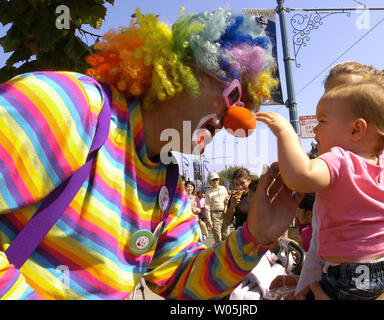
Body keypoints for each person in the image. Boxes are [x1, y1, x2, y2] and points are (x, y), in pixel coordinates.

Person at [0, 8, 297, 300]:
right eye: (233, 95)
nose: (236, 121)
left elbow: (181, 278)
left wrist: (254, 236)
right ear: (180, 71)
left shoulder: (169, 185)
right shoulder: (67, 105)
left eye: (246, 106)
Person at [257, 79, 384, 299]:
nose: (316, 129)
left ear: (357, 129)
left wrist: (285, 133)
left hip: (356, 275)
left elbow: (300, 176)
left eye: (322, 121)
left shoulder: (340, 159)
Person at [204, 171, 229, 244]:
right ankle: (219, 254)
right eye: (213, 180)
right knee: (218, 238)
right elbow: (207, 206)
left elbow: (227, 197)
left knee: (226, 236)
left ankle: (226, 253)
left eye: (216, 179)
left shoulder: (223, 188)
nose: (215, 181)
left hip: (224, 213)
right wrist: (209, 220)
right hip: (215, 215)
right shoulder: (208, 192)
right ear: (210, 181)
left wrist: (227, 199)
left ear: (219, 179)